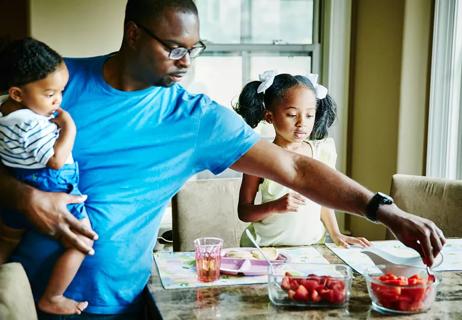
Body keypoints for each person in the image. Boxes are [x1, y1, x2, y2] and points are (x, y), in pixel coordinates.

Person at [0, 0, 445, 318]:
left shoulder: (196, 119)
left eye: (195, 49)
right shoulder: (55, 82)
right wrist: (25, 198)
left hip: (115, 302)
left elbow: (295, 168)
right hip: (19, 292)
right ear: (133, 33)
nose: (186, 63)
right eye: (175, 48)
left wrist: (382, 209)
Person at [0, 38, 94, 315]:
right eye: (50, 93)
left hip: (17, 183)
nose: (58, 100)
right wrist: (69, 127)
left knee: (6, 238)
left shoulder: (4, 108)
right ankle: (53, 296)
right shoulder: (31, 123)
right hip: (51, 183)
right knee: (83, 241)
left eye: (61, 91)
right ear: (17, 93)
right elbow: (55, 160)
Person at [236, 71, 370, 248]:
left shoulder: (322, 152)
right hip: (265, 249)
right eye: (292, 115)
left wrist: (336, 234)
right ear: (270, 116)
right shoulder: (259, 155)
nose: (302, 123)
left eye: (309, 115)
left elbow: (325, 200)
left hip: (310, 248)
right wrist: (276, 206)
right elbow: (244, 212)